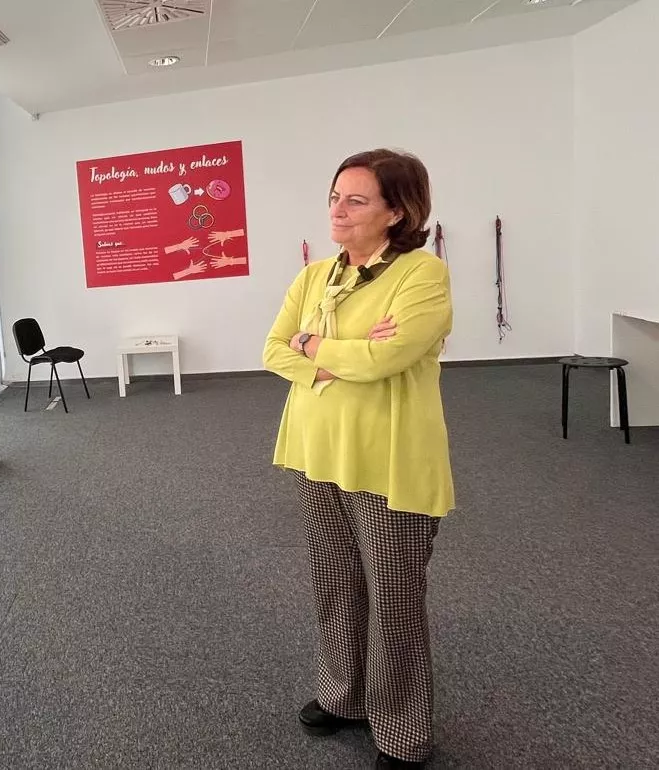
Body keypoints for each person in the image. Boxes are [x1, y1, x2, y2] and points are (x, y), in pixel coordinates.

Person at [262, 149, 454, 769]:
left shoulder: (422, 275)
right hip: (318, 449)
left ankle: (402, 731)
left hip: (388, 458)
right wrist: (338, 354)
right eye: (334, 197)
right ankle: (342, 694)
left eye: (356, 200)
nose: (338, 211)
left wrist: (316, 346)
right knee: (335, 581)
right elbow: (272, 349)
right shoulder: (315, 275)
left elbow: (389, 358)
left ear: (396, 211)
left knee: (395, 595)